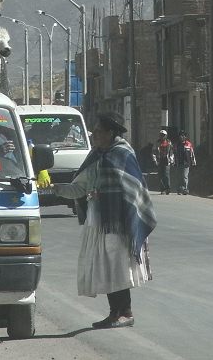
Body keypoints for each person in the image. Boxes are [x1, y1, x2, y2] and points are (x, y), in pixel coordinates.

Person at [46, 111, 156, 329]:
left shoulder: (122, 154)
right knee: (106, 266)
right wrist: (55, 188)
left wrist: (106, 197)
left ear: (110, 133)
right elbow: (79, 187)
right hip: (98, 221)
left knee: (117, 266)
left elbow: (133, 191)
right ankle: (114, 313)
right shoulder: (96, 156)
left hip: (119, 223)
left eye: (98, 131)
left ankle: (125, 312)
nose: (94, 135)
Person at [171, 129, 197, 195]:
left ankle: (185, 189)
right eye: (180, 135)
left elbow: (192, 153)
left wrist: (193, 161)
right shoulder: (176, 145)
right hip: (178, 162)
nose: (181, 137)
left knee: (185, 176)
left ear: (185, 137)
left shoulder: (188, 144)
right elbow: (173, 154)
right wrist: (172, 161)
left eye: (183, 135)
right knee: (179, 176)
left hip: (186, 163)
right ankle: (179, 189)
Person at [152, 129, 174, 195]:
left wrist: (172, 160)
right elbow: (154, 152)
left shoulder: (169, 142)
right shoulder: (157, 143)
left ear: (166, 136)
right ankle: (163, 189)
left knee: (166, 175)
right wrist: (155, 160)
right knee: (160, 176)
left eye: (163, 135)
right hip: (160, 160)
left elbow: (171, 152)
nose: (162, 136)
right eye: (161, 135)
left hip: (167, 160)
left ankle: (168, 189)